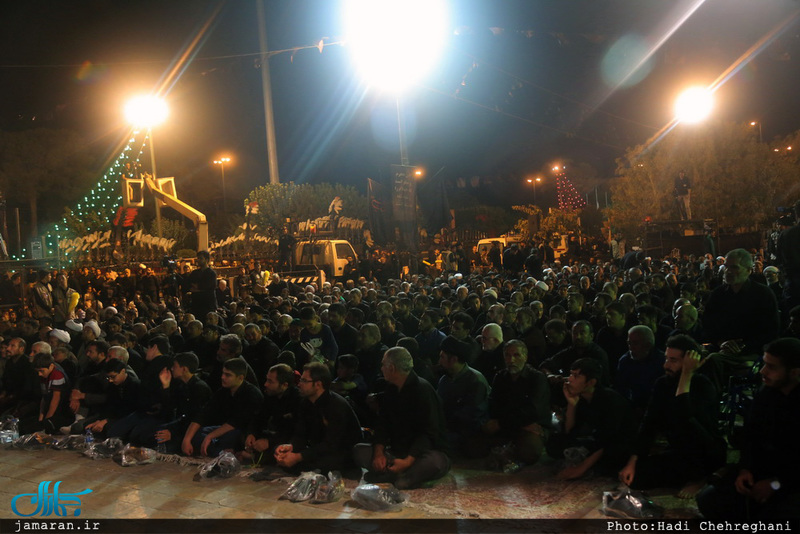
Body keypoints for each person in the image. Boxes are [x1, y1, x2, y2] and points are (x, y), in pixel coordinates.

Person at [697, 337, 800, 520]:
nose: (763, 371)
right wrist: (745, 469)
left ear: (794, 372)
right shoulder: (766, 393)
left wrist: (775, 484)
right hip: (761, 472)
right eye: (764, 364)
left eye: (772, 367)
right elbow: (750, 435)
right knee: (710, 500)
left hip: (789, 481)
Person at [619, 334, 726, 499]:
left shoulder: (703, 385)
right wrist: (633, 461)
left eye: (673, 360)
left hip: (704, 454)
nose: (666, 365)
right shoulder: (662, 384)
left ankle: (701, 479)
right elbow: (649, 423)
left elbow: (685, 417)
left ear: (689, 361)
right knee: (636, 478)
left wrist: (687, 375)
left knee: (691, 433)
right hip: (678, 451)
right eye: (666, 359)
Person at [354, 347, 451, 489]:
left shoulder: (423, 390)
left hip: (422, 454)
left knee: (434, 463)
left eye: (383, 365)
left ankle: (395, 476)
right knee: (359, 451)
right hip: (398, 452)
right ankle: (398, 475)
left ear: (392, 368)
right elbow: (382, 424)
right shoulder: (391, 389)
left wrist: (407, 461)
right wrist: (379, 453)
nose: (381, 368)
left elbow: (429, 433)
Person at [547, 358, 635, 480]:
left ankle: (591, 467)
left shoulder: (610, 400)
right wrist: (572, 404)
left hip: (617, 445)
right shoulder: (583, 397)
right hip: (596, 441)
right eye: (571, 374)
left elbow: (607, 440)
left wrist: (579, 469)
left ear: (591, 382)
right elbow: (569, 432)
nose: (570, 379)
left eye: (576, 376)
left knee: (612, 456)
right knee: (554, 443)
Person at [274, 362, 361, 475]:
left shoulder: (336, 405)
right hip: (320, 450)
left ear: (318, 384)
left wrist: (299, 457)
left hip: (341, 453)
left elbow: (332, 444)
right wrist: (290, 447)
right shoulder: (306, 403)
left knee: (315, 465)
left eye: (304, 381)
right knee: (281, 454)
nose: (299, 384)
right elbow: (301, 434)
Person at [484, 340, 551, 469]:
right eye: (508, 356)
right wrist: (515, 422)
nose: (511, 360)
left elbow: (533, 411)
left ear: (525, 357)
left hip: (529, 426)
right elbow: (493, 406)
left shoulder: (537, 378)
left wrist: (503, 422)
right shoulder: (501, 377)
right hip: (516, 424)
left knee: (529, 453)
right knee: (472, 446)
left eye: (516, 355)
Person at [182, 358, 264, 457]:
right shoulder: (223, 391)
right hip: (224, 428)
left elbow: (236, 423)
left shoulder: (251, 394)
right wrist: (186, 439)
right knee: (195, 434)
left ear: (240, 377)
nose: (222, 377)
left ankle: (223, 453)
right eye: (223, 373)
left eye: (228, 375)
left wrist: (209, 437)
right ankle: (222, 453)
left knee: (230, 436)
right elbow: (204, 413)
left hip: (244, 432)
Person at [436, 336, 491, 457]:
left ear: (454, 359)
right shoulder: (445, 379)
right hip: (450, 427)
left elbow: (473, 416)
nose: (439, 361)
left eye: (442, 357)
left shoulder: (476, 381)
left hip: (468, 431)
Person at [244, 363, 301, 464]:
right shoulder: (271, 394)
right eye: (267, 380)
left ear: (284, 385)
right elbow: (259, 417)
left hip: (287, 439)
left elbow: (295, 432)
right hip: (272, 434)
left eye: (270, 381)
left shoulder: (297, 399)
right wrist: (251, 433)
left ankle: (252, 457)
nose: (266, 384)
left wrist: (269, 442)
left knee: (278, 452)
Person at [187, 250, 217, 318]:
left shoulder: (211, 273)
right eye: (198, 258)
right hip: (196, 305)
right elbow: (189, 285)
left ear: (206, 260)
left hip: (208, 305)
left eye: (201, 258)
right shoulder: (194, 273)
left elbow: (209, 287)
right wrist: (200, 288)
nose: (198, 260)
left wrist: (198, 288)